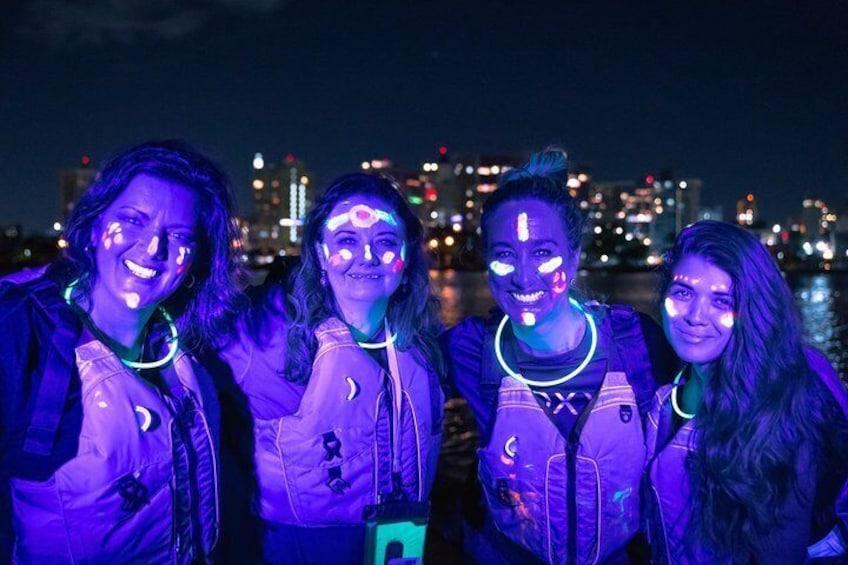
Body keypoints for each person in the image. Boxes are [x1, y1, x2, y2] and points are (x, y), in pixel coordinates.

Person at [0, 140, 245, 563]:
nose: (153, 248)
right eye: (133, 221)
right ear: (95, 228)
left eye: (179, 236)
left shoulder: (193, 357)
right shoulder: (22, 339)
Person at [442, 149, 675, 564]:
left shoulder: (637, 341)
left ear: (574, 256)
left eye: (543, 253)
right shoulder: (469, 348)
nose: (524, 276)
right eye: (505, 255)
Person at [217, 172, 445, 564]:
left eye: (385, 242)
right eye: (347, 241)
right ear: (320, 255)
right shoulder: (269, 340)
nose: (367, 257)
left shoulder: (425, 346)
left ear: (406, 258)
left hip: (399, 548)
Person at [644, 220, 848, 563]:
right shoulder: (665, 388)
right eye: (683, 292)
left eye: (722, 301)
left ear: (752, 311)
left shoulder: (778, 420)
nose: (695, 316)